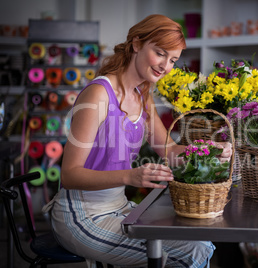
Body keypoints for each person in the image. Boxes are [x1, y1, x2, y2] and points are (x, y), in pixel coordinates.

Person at [42, 14, 232, 268]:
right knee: (193, 252)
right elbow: (69, 175)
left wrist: (208, 150)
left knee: (199, 242)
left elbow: (170, 150)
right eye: (160, 53)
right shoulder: (99, 95)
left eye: (173, 60)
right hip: (82, 216)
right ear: (136, 44)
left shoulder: (142, 96)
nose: (166, 66)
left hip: (119, 208)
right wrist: (129, 176)